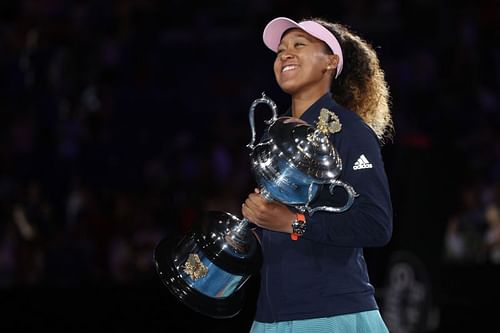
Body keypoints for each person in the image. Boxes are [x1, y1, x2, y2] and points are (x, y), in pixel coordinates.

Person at [241, 16, 394, 333]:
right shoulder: (274, 133)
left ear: (331, 62)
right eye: (281, 49)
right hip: (271, 316)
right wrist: (254, 234)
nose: (285, 53)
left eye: (299, 44)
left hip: (330, 313)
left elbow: (376, 225)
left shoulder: (350, 130)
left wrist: (291, 223)